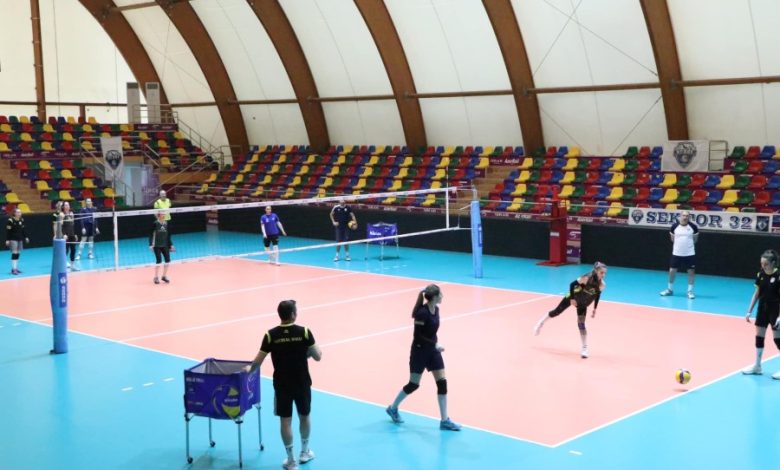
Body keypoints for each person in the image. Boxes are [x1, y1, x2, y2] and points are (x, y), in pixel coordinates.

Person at [245, 300, 322, 470]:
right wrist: (306, 353)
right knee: (304, 416)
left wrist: (245, 372)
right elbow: (318, 356)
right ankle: (304, 452)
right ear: (293, 314)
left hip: (282, 384)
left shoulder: (270, 335)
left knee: (285, 421)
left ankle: (291, 460)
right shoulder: (304, 332)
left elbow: (257, 362)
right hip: (302, 383)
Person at [385, 284, 461, 431]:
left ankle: (444, 420)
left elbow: (431, 333)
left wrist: (434, 345)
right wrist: (434, 344)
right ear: (434, 297)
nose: (442, 296)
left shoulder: (436, 310)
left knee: (442, 383)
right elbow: (418, 336)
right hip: (419, 352)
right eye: (440, 294)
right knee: (413, 384)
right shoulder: (422, 313)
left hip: (433, 352)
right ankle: (392, 408)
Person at [533, 262, 607, 358]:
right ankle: (540, 323)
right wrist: (572, 299)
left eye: (605, 273)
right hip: (573, 296)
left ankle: (584, 348)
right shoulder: (586, 278)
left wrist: (595, 308)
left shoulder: (602, 285)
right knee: (556, 312)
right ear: (596, 271)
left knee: (581, 325)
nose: (603, 275)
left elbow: (597, 295)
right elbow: (572, 284)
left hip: (582, 303)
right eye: (601, 272)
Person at [742, 249, 780, 379]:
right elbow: (757, 293)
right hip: (762, 310)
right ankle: (757, 366)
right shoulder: (760, 274)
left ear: (773, 263)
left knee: (778, 340)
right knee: (759, 337)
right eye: (762, 264)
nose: (763, 266)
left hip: (776, 311)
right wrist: (749, 310)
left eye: (766, 264)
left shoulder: (778, 276)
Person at [660, 211, 699, 299]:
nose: (685, 217)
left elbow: (695, 240)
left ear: (689, 217)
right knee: (672, 271)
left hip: (690, 253)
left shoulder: (693, 227)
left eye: (687, 216)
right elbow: (672, 239)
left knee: (691, 272)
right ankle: (669, 290)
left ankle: (690, 291)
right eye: (683, 215)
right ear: (680, 216)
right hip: (676, 253)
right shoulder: (674, 227)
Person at [149, 211, 174, 284]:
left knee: (167, 260)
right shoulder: (155, 223)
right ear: (159, 216)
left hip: (165, 245)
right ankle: (156, 277)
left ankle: (164, 276)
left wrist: (171, 245)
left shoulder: (166, 223)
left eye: (164, 214)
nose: (164, 215)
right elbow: (150, 234)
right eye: (162, 214)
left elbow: (168, 235)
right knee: (159, 261)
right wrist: (150, 244)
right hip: (156, 245)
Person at [53, 201, 78, 270]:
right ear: (63, 207)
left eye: (68, 205)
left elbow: (72, 225)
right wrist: (63, 234)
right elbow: (60, 226)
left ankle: (72, 266)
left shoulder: (71, 214)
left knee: (73, 250)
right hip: (65, 235)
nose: (67, 206)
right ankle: (62, 265)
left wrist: (75, 234)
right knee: (65, 251)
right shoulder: (61, 214)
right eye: (66, 205)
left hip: (72, 234)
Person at [5, 208, 30, 275]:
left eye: (20, 212)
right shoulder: (10, 220)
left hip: (20, 239)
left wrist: (26, 237)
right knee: (14, 253)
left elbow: (23, 229)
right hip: (13, 239)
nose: (19, 213)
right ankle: (13, 269)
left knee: (18, 253)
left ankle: (15, 268)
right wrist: (7, 240)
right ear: (14, 213)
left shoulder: (22, 220)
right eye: (18, 212)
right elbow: (8, 231)